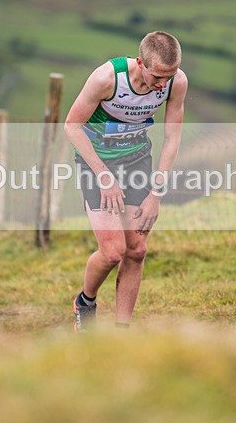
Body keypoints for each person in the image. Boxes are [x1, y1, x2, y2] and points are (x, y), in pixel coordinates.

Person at [64, 31, 188, 332]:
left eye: (169, 76)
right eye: (158, 76)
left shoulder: (176, 82)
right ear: (140, 63)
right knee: (112, 252)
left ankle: (122, 332)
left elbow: (172, 138)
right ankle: (86, 301)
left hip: (136, 161)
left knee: (137, 249)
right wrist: (104, 176)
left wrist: (156, 193)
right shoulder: (107, 78)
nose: (163, 84)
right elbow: (72, 125)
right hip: (97, 163)